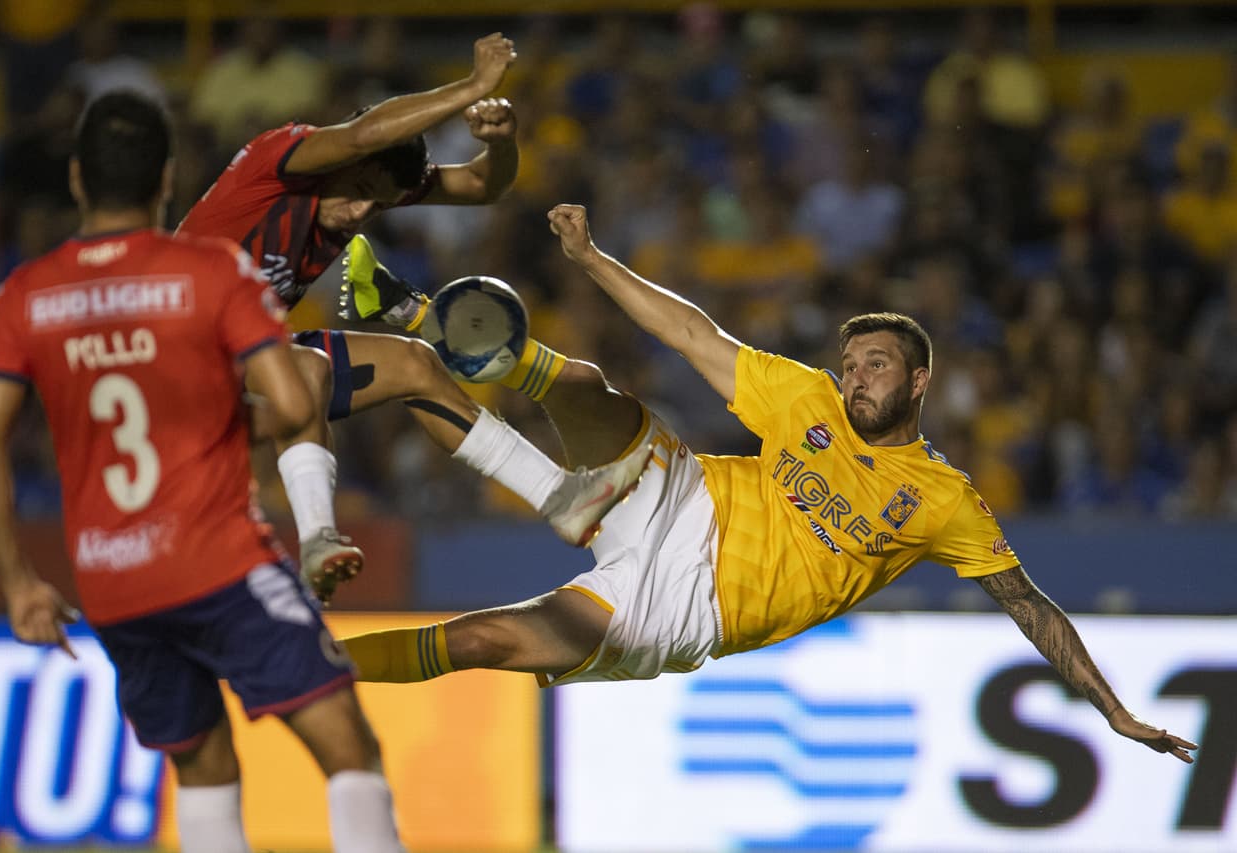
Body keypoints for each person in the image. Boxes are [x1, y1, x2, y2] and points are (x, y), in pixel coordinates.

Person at [339, 204, 1197, 767]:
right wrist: (593, 258)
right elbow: (690, 330)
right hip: (679, 492)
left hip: (683, 606)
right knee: (582, 385)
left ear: (919, 382)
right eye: (852, 360)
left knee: (478, 640)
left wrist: (1114, 709)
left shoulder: (942, 500)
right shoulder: (806, 395)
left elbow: (1030, 606)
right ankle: (416, 319)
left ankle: (293, 668)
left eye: (878, 364)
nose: (857, 375)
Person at [0, 92, 403, 852]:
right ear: (166, 179)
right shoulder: (209, 270)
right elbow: (296, 400)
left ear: (76, 179)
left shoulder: (23, 295)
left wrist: (18, 582)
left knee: (202, 766)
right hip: (214, 559)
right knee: (348, 745)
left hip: (111, 580)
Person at [178, 32, 651, 603]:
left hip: (246, 361)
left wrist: (502, 142)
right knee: (304, 368)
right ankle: (318, 540)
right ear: (340, 163)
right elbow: (362, 133)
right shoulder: (279, 161)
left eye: (376, 206)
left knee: (415, 363)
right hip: (175, 354)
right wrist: (474, 86)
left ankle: (562, 498)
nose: (359, 213)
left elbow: (482, 184)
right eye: (356, 194)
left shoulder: (368, 181)